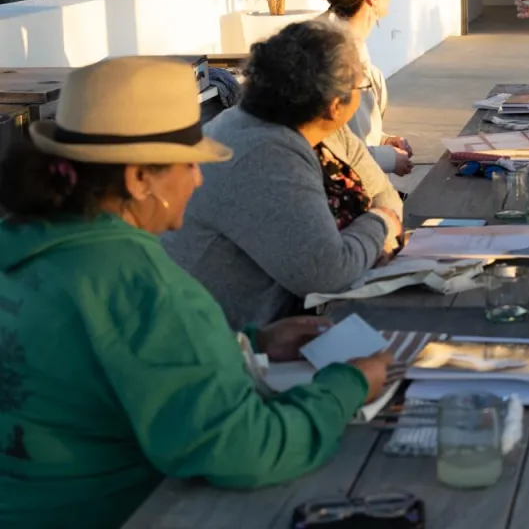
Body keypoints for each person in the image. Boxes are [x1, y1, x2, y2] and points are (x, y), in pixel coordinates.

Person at [0, 57, 401, 529]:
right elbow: (246, 449)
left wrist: (248, 346)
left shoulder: (29, 246)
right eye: (189, 163)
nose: (197, 178)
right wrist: (347, 385)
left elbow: (108, 362)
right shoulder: (145, 288)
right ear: (139, 179)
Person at [164, 20, 403, 327]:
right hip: (232, 338)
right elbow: (327, 273)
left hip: (296, 318)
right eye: (360, 87)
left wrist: (367, 243)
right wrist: (380, 226)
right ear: (334, 105)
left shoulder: (326, 132)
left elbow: (386, 196)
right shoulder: (262, 152)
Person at [320, 0, 414, 179]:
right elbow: (330, 153)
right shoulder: (336, 59)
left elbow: (350, 134)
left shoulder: (339, 42)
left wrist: (384, 141)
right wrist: (389, 158)